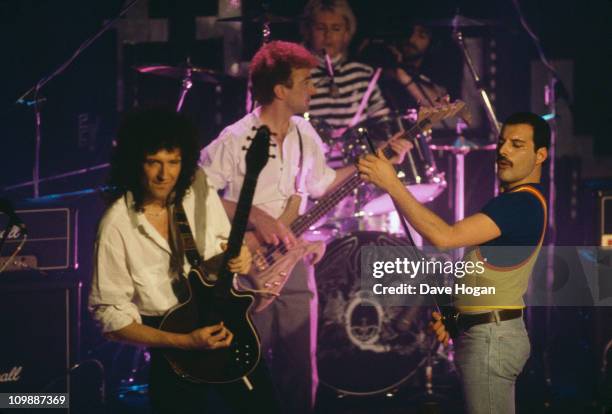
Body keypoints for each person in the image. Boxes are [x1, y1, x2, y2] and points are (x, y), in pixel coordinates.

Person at [200, 40, 409, 414]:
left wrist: (380, 161)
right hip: (245, 268)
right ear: (281, 90)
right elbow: (195, 197)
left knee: (300, 370)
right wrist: (256, 217)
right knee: (251, 367)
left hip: (293, 262)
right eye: (305, 82)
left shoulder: (303, 133)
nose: (314, 89)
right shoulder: (233, 140)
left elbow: (324, 184)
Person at [357, 112, 550, 414]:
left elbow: (444, 236)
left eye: (516, 145)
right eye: (502, 143)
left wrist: (392, 183)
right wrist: (457, 314)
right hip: (488, 334)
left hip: (491, 340)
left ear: (541, 155)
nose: (503, 151)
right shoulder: (516, 202)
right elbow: (483, 273)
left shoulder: (520, 204)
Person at [88, 108, 278, 414]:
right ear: (136, 162)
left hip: (227, 331)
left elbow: (223, 246)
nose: (165, 175)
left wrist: (239, 255)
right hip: (172, 351)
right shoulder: (116, 225)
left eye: (173, 162)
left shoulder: (195, 192)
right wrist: (184, 341)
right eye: (154, 163)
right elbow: (108, 318)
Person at [300, 0, 390, 132]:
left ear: (347, 34)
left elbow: (382, 123)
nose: (328, 35)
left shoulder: (362, 74)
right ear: (307, 31)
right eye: (320, 28)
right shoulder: (295, 74)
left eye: (336, 29)